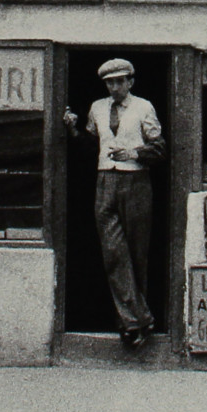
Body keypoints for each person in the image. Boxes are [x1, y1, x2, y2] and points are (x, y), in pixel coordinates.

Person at [63, 57, 166, 349]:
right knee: (113, 253)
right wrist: (73, 129)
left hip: (136, 184)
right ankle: (140, 319)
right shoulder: (96, 108)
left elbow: (160, 150)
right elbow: (89, 145)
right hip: (104, 182)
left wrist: (133, 154)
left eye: (119, 81)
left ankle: (130, 324)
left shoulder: (143, 107)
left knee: (136, 255)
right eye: (109, 82)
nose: (114, 87)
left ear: (130, 82)